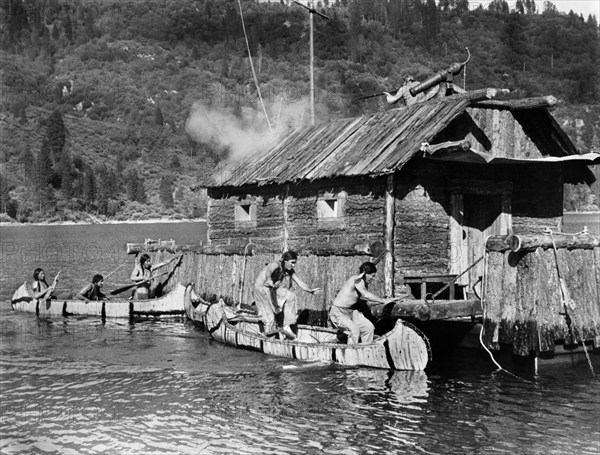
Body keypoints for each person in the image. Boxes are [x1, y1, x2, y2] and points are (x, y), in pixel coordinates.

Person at [253, 250, 322, 339]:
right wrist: (269, 279)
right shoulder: (276, 264)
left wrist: (310, 290)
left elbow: (299, 282)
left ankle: (287, 326)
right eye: (292, 263)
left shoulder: (289, 270)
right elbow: (269, 271)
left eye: (295, 263)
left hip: (272, 289)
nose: (293, 265)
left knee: (291, 296)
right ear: (284, 261)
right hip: (261, 289)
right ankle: (270, 338)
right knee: (270, 319)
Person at [329, 262, 398, 345]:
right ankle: (351, 355)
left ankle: (366, 352)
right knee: (354, 331)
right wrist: (384, 301)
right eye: (372, 276)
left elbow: (367, 299)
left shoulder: (363, 283)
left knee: (368, 328)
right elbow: (366, 294)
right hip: (338, 312)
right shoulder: (358, 280)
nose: (373, 279)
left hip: (351, 311)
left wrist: (389, 300)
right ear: (365, 274)